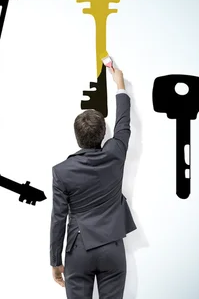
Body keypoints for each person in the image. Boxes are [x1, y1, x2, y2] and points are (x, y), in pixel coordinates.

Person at [49, 66, 136, 299]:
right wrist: (120, 86)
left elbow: (58, 217)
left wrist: (55, 261)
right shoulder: (115, 153)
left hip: (79, 251)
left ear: (77, 137)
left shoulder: (61, 171)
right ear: (102, 134)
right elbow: (123, 124)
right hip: (112, 249)